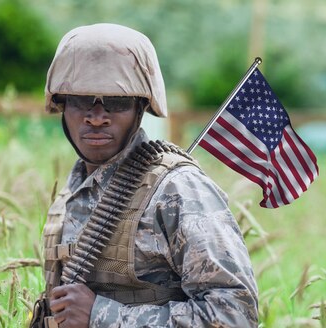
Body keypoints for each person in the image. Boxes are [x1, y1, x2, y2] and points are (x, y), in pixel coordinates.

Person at [36, 23, 258, 327]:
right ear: (61, 105)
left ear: (141, 107)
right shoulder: (73, 191)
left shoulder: (177, 190)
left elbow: (234, 316)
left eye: (116, 102)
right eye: (80, 100)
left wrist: (100, 315)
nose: (96, 117)